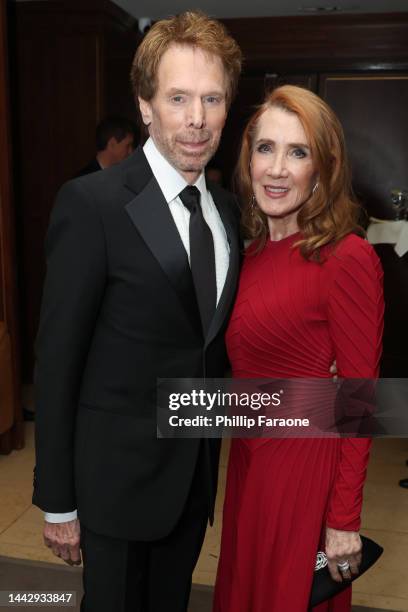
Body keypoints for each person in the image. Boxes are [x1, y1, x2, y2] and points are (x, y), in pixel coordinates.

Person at [33, 11, 242, 612]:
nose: (197, 118)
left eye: (211, 98)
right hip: (114, 488)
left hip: (192, 480)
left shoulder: (225, 212)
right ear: (145, 105)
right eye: (178, 98)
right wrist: (59, 499)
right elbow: (58, 360)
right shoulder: (92, 204)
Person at [213, 85, 384, 612]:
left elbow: (359, 402)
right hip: (249, 468)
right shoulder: (249, 254)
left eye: (298, 152)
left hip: (304, 479)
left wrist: (343, 521)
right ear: (248, 159)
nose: (278, 169)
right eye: (265, 148)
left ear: (324, 167)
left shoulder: (345, 258)